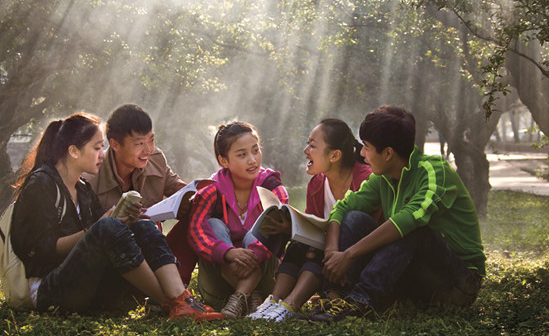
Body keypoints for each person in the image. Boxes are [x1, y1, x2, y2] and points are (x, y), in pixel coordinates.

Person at [9, 113, 222, 320]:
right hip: (51, 291)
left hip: (90, 286)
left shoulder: (82, 189)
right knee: (107, 227)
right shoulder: (42, 184)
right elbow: (38, 249)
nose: (103, 153)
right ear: (74, 151)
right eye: (97, 147)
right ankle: (169, 302)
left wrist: (124, 220)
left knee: (141, 224)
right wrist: (97, 228)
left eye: (102, 147)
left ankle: (181, 299)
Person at [319, 106, 486, 322]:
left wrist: (349, 255)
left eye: (367, 147)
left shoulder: (434, 171)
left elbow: (408, 220)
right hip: (415, 277)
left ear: (388, 153)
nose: (361, 153)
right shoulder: (384, 177)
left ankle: (361, 301)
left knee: (409, 227)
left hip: (458, 283)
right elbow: (342, 208)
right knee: (354, 218)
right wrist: (333, 252)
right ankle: (336, 298)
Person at [248, 118, 374, 321]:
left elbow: (367, 228)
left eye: (312, 145)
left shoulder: (365, 179)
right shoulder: (316, 184)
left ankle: (290, 305)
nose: (306, 150)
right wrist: (290, 227)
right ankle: (273, 301)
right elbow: (312, 226)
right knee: (300, 244)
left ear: (334, 155)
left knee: (316, 250)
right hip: (327, 254)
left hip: (354, 259)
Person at [188, 121, 287, 319]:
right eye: (242, 155)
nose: (253, 160)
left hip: (266, 276)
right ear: (224, 161)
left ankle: (241, 296)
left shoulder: (272, 188)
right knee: (213, 225)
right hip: (219, 281)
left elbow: (278, 228)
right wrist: (228, 254)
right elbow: (195, 230)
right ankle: (251, 298)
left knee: (256, 232)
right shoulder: (211, 189)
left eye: (256, 150)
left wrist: (252, 254)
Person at [89, 104, 187, 212]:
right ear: (115, 145)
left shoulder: (156, 160)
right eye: (140, 143)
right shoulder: (91, 177)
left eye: (151, 140)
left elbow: (182, 193)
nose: (148, 150)